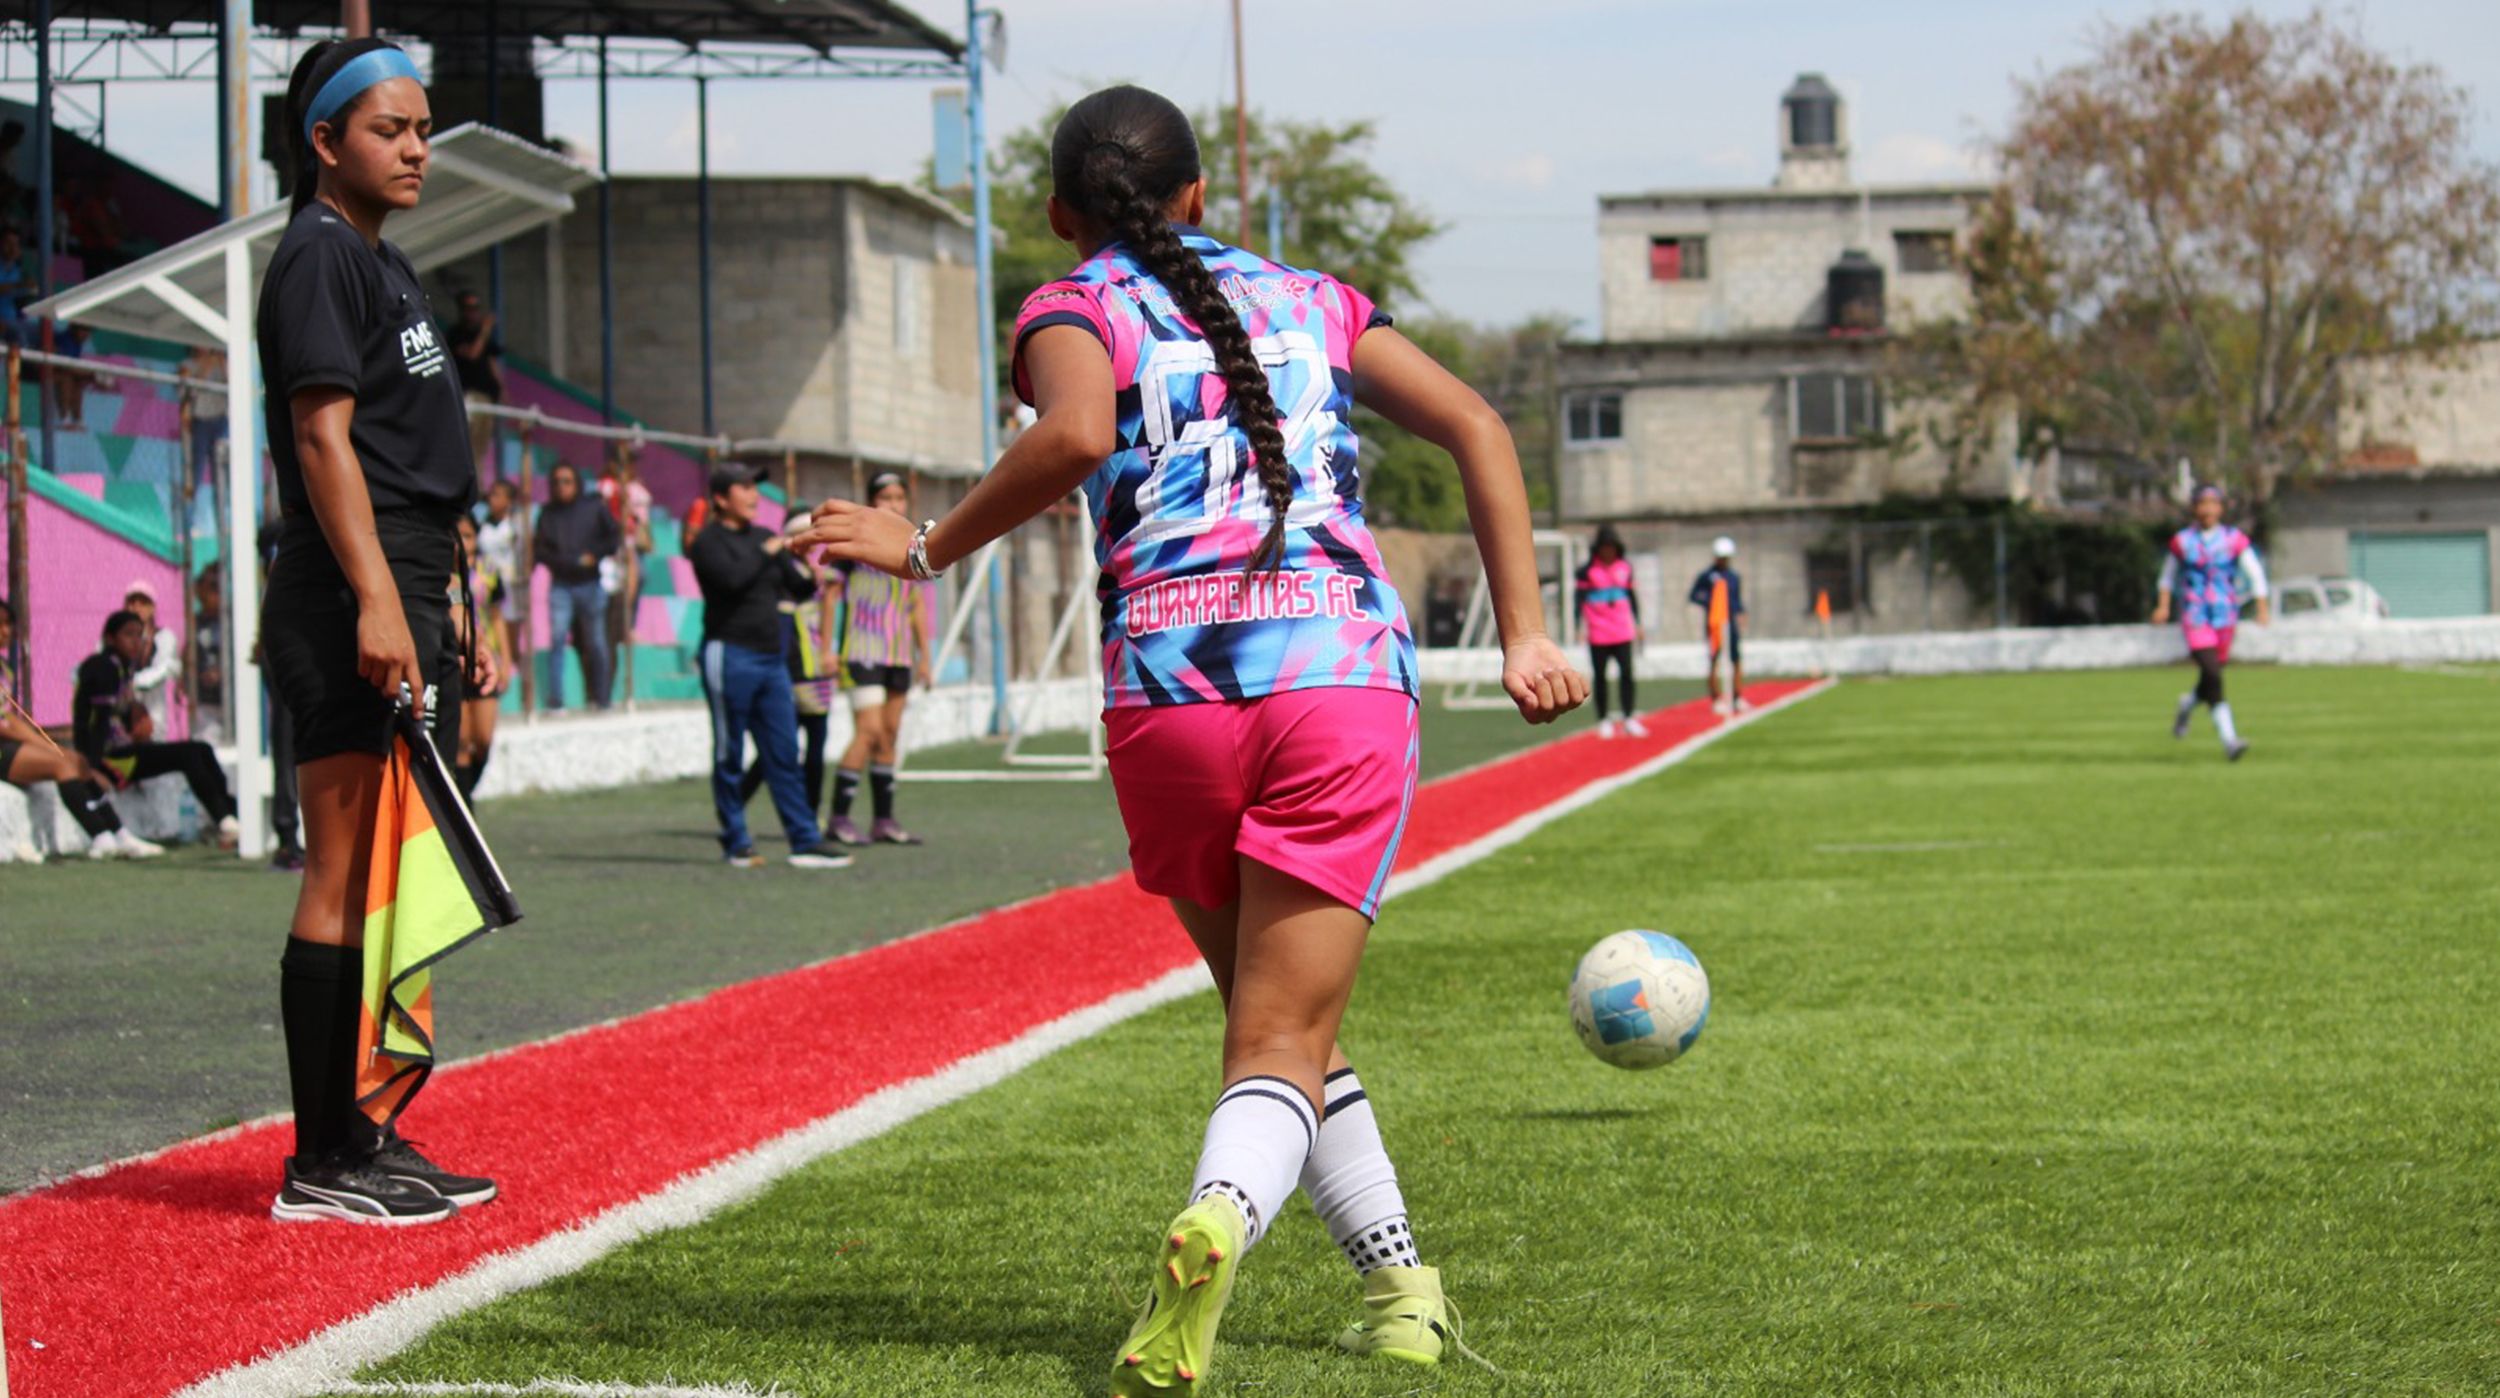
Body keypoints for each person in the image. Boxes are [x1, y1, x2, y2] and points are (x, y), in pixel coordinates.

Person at [796, 85, 1584, 1394]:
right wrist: (1525, 633)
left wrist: (925, 546)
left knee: (1277, 1026)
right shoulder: (1317, 299)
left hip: (1169, 698)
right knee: (1281, 1037)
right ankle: (1218, 1216)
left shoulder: (1069, 306)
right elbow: (1477, 425)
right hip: (1335, 680)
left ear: (1060, 214)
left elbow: (1072, 430)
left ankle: (1402, 1293)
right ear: (1202, 193)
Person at [255, 36, 500, 1225]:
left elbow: (416, 460)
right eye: (388, 130)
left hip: (407, 576)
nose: (414, 150)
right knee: (344, 870)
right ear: (325, 141)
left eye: (421, 131)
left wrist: (452, 598)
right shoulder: (317, 253)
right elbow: (323, 440)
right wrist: (378, 600)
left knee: (389, 878)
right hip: (350, 585)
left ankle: (365, 1135)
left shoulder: (380, 260)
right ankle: (322, 1161)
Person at [687, 465, 849, 870]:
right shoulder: (708, 542)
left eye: (754, 487)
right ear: (721, 498)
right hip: (729, 655)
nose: (753, 495)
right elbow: (732, 581)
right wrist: (771, 551)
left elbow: (796, 588)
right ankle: (736, 840)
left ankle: (804, 839)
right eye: (744, 488)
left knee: (784, 750)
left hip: (771, 659)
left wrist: (809, 565)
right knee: (730, 751)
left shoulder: (764, 538)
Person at [0, 597, 162, 859]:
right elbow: (4, 725)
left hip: (6, 745)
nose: (6, 631)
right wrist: (48, 749)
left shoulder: (4, 668)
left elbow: (9, 716)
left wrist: (48, 745)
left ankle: (119, 833)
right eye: (0, 624)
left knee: (78, 761)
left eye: (9, 624)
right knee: (62, 764)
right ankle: (100, 837)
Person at [825, 471, 933, 847]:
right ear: (872, 501)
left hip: (898, 654)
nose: (893, 504)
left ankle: (883, 821)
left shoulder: (913, 544)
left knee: (889, 735)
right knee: (868, 732)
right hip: (862, 652)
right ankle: (838, 818)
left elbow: (916, 604)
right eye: (885, 497)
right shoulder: (855, 542)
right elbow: (830, 595)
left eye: (899, 497)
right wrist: (826, 648)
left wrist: (924, 656)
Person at [75, 609, 237, 847]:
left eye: (139, 635)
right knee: (188, 755)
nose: (135, 641)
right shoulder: (103, 666)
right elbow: (94, 722)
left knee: (202, 748)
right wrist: (93, 767)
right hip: (110, 760)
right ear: (110, 638)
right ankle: (224, 820)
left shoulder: (124, 668)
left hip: (125, 751)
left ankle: (232, 815)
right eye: (128, 634)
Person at [2152, 483, 2269, 761]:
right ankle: (2230, 741)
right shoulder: (2183, 542)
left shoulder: (2233, 539)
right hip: (2195, 615)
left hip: (2225, 615)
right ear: (2194, 508)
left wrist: (2262, 608)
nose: (2207, 509)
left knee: (2211, 676)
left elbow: (2255, 573)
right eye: (2202, 503)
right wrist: (2163, 606)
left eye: (2213, 503)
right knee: (2213, 674)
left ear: (2221, 508)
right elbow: (2167, 576)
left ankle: (2187, 704)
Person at [531, 461, 620, 711]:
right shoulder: (547, 513)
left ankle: (602, 699)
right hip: (561, 585)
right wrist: (564, 561)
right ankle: (556, 701)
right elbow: (540, 550)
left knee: (597, 643)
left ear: (577, 483)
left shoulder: (593, 507)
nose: (562, 486)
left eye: (567, 481)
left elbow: (613, 538)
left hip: (591, 584)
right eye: (557, 482)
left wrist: (594, 555)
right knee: (557, 640)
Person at [451, 513, 505, 800]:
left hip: (485, 659)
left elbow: (497, 617)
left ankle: (467, 789)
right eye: (457, 536)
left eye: (468, 536)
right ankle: (464, 804)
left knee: (483, 739)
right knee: (461, 740)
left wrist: (505, 659)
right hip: (455, 660)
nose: (462, 542)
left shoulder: (488, 571)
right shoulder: (441, 573)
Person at [1576, 525, 1647, 739]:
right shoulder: (1587, 571)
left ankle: (1628, 717)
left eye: (1611, 547)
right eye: (1605, 547)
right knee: (1600, 677)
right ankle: (1603, 719)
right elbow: (1578, 600)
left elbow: (1632, 597)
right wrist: (1579, 626)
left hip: (1622, 631)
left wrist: (1638, 624)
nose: (1608, 551)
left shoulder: (1625, 567)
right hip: (1598, 632)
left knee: (1627, 674)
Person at [1688, 536, 1745, 714]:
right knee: (1714, 660)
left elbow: (1736, 599)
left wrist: (1741, 613)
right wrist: (1710, 602)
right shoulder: (1707, 576)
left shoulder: (1734, 577)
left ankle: (1737, 697)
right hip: (1714, 624)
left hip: (1730, 622)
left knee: (1736, 659)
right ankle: (1716, 698)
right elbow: (1694, 595)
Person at [119, 579, 184, 737]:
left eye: (143, 603)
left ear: (152, 608)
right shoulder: (116, 638)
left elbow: (163, 669)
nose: (136, 608)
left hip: (153, 719)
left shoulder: (164, 637)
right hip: (122, 719)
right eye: (132, 602)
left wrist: (132, 683)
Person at [446, 290, 501, 474]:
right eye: (469, 308)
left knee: (481, 448)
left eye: (476, 307)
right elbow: (472, 354)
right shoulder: (456, 334)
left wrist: (502, 390)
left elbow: (491, 362)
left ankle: (479, 484)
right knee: (469, 447)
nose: (473, 312)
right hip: (469, 396)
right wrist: (485, 330)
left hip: (487, 398)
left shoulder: (482, 335)